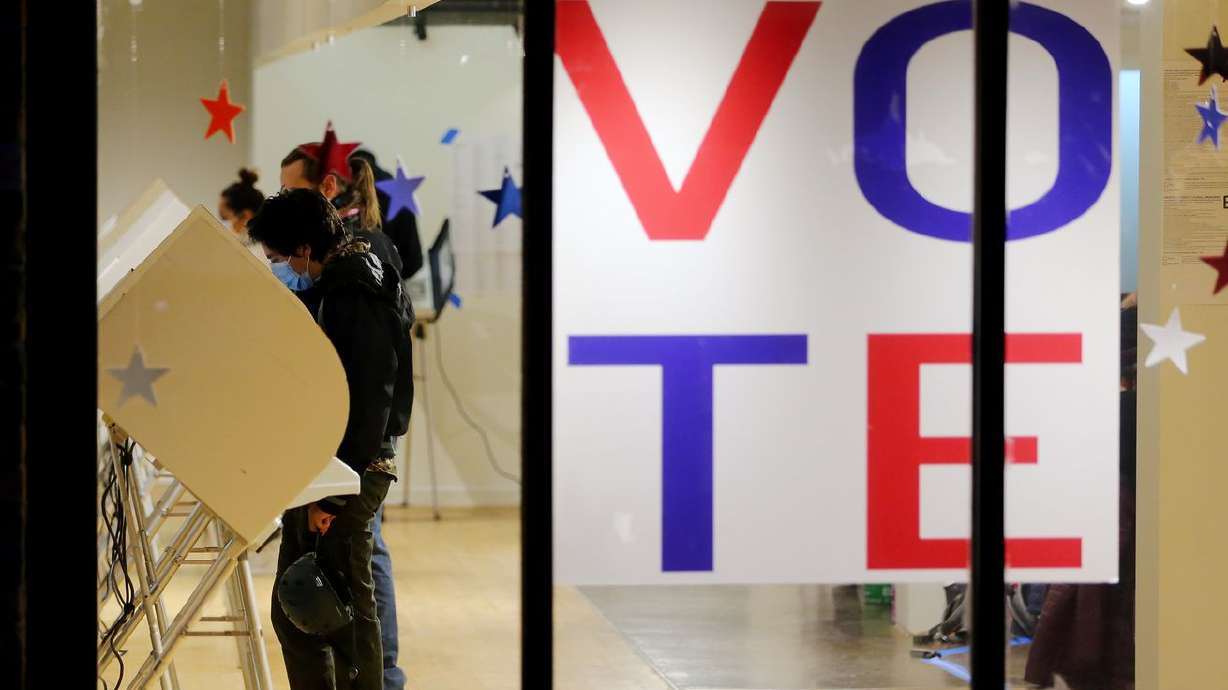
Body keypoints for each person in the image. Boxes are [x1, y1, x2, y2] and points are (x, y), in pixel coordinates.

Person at [248, 189, 414, 690]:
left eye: (277, 258)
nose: (277, 268)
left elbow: (368, 402)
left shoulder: (355, 290)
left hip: (351, 472)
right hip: (326, 468)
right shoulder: (339, 281)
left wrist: (335, 496)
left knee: (341, 612)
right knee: (297, 607)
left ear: (303, 248)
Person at [218, 168, 267, 262]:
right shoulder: (225, 236)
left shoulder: (262, 251)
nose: (228, 223)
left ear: (246, 215)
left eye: (228, 217)